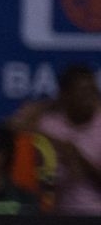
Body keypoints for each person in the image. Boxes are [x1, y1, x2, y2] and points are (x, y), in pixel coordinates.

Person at [18, 65, 101, 215]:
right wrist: (59, 145)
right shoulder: (48, 125)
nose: (90, 97)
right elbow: (16, 127)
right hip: (58, 217)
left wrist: (78, 157)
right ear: (65, 95)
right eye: (83, 92)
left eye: (93, 91)